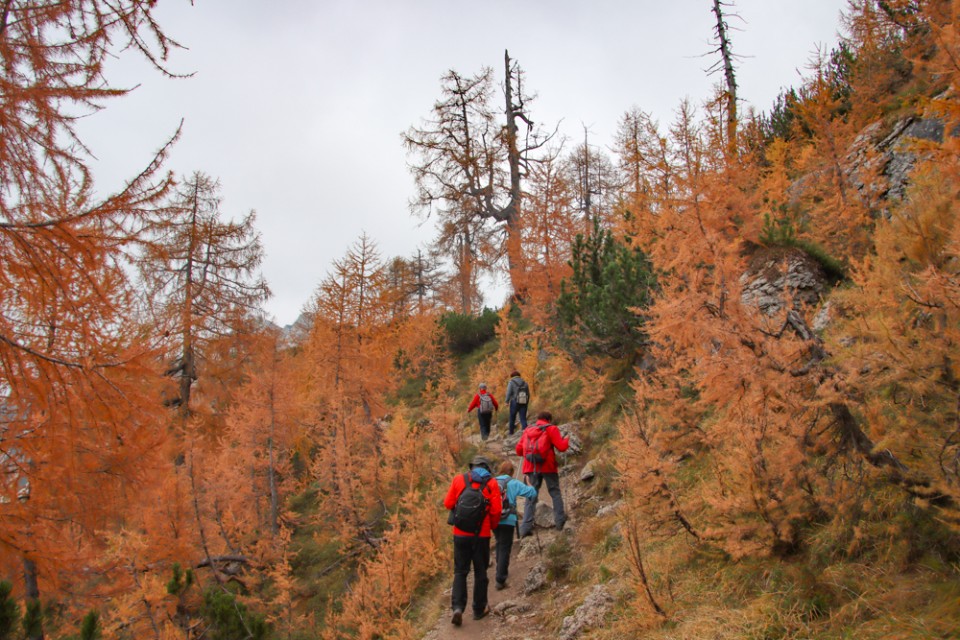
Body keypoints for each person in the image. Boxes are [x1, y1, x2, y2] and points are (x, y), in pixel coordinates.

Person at [443, 455, 502, 626]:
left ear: (472, 467)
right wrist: (491, 526)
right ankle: (478, 609)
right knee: (480, 572)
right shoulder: (491, 484)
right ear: (487, 468)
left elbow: (448, 504)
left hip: (460, 534)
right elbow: (496, 511)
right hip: (481, 535)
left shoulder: (459, 479)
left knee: (460, 571)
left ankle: (458, 608)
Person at [515, 410, 570, 537]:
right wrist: (566, 440)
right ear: (549, 419)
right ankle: (559, 521)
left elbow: (518, 450)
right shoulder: (551, 429)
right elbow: (561, 447)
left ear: (538, 419)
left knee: (530, 497)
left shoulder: (528, 429)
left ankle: (525, 528)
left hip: (530, 467)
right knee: (555, 492)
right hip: (548, 467)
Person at [493, 460, 537, 590]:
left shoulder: (492, 482)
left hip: (494, 519)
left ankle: (499, 570)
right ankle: (500, 579)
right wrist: (529, 484)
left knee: (499, 543)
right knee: (505, 547)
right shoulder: (513, 482)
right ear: (512, 472)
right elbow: (532, 494)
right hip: (509, 519)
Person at [504, 370, 530, 436]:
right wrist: (526, 402)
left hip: (514, 402)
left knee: (512, 417)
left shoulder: (511, 382)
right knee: (523, 418)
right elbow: (528, 394)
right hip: (524, 402)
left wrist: (506, 401)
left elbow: (508, 392)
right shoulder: (525, 382)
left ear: (512, 376)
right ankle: (526, 433)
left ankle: (511, 433)